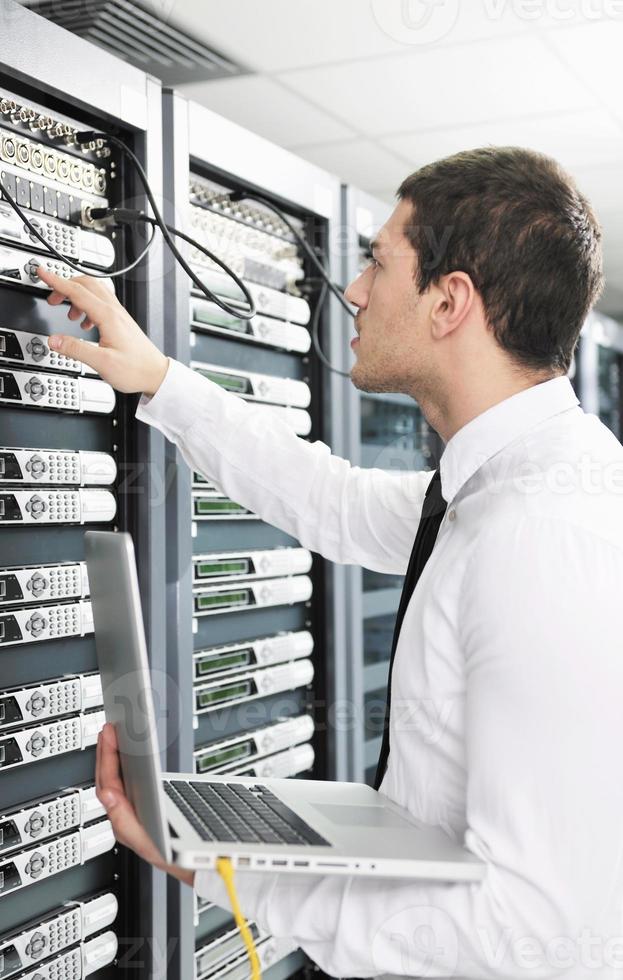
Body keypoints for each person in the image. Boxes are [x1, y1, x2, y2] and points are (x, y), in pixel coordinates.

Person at [39, 146, 623, 980]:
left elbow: (526, 934)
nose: (352, 289)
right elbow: (332, 501)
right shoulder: (498, 488)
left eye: (378, 262)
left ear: (448, 302)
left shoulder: (542, 535)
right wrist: (160, 379)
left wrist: (227, 863)